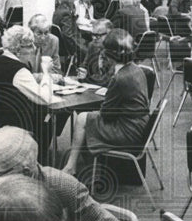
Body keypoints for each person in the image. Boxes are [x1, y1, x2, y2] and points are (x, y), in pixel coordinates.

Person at [62, 29, 150, 176]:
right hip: (141, 127)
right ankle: (80, 164)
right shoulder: (136, 69)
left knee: (83, 118)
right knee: (87, 117)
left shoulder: (119, 78)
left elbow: (107, 115)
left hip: (129, 132)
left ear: (109, 54)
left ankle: (71, 166)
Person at [0, 25, 53, 145]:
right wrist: (46, 72)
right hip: (5, 126)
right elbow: (45, 98)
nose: (33, 48)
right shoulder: (18, 70)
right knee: (47, 115)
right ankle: (37, 157)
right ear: (18, 49)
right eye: (30, 45)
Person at [80, 19, 114, 85]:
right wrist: (82, 71)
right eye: (93, 34)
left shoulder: (115, 50)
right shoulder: (92, 45)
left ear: (109, 34)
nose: (94, 38)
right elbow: (85, 65)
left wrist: (87, 77)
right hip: (93, 85)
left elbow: (108, 79)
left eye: (98, 36)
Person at [29, 13, 62, 78]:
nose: (43, 37)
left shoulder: (53, 40)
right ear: (31, 32)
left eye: (46, 33)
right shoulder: (25, 42)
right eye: (39, 33)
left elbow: (56, 69)